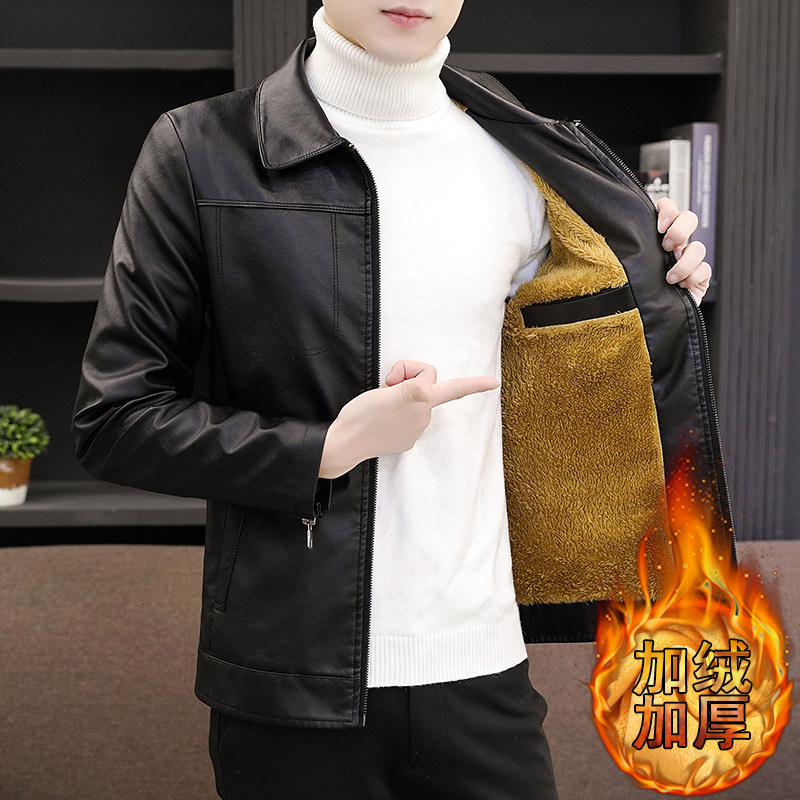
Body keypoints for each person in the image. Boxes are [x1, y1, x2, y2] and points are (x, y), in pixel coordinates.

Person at [72, 2, 714, 798]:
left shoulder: (530, 156)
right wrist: (325, 450)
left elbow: (590, 355)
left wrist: (665, 281)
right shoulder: (201, 151)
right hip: (293, 684)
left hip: (486, 671)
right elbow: (115, 419)